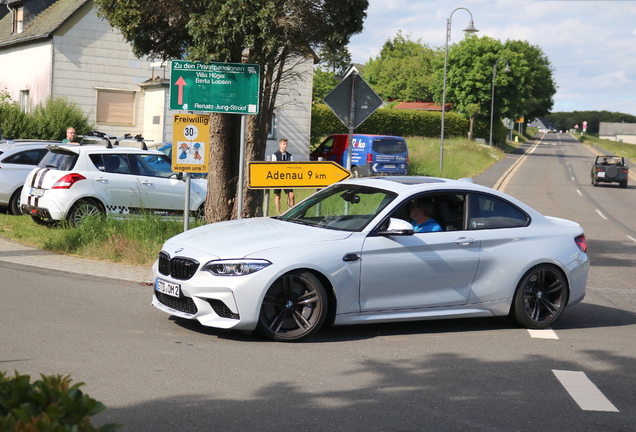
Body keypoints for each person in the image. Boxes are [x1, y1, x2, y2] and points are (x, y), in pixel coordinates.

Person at [271, 138, 295, 213]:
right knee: (278, 195)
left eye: (286, 144)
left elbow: (293, 166)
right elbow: (272, 166)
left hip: (287, 178)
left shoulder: (289, 156)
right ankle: (278, 212)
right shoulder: (275, 155)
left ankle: (290, 211)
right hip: (278, 178)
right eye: (284, 144)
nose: (285, 146)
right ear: (280, 145)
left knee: (291, 195)